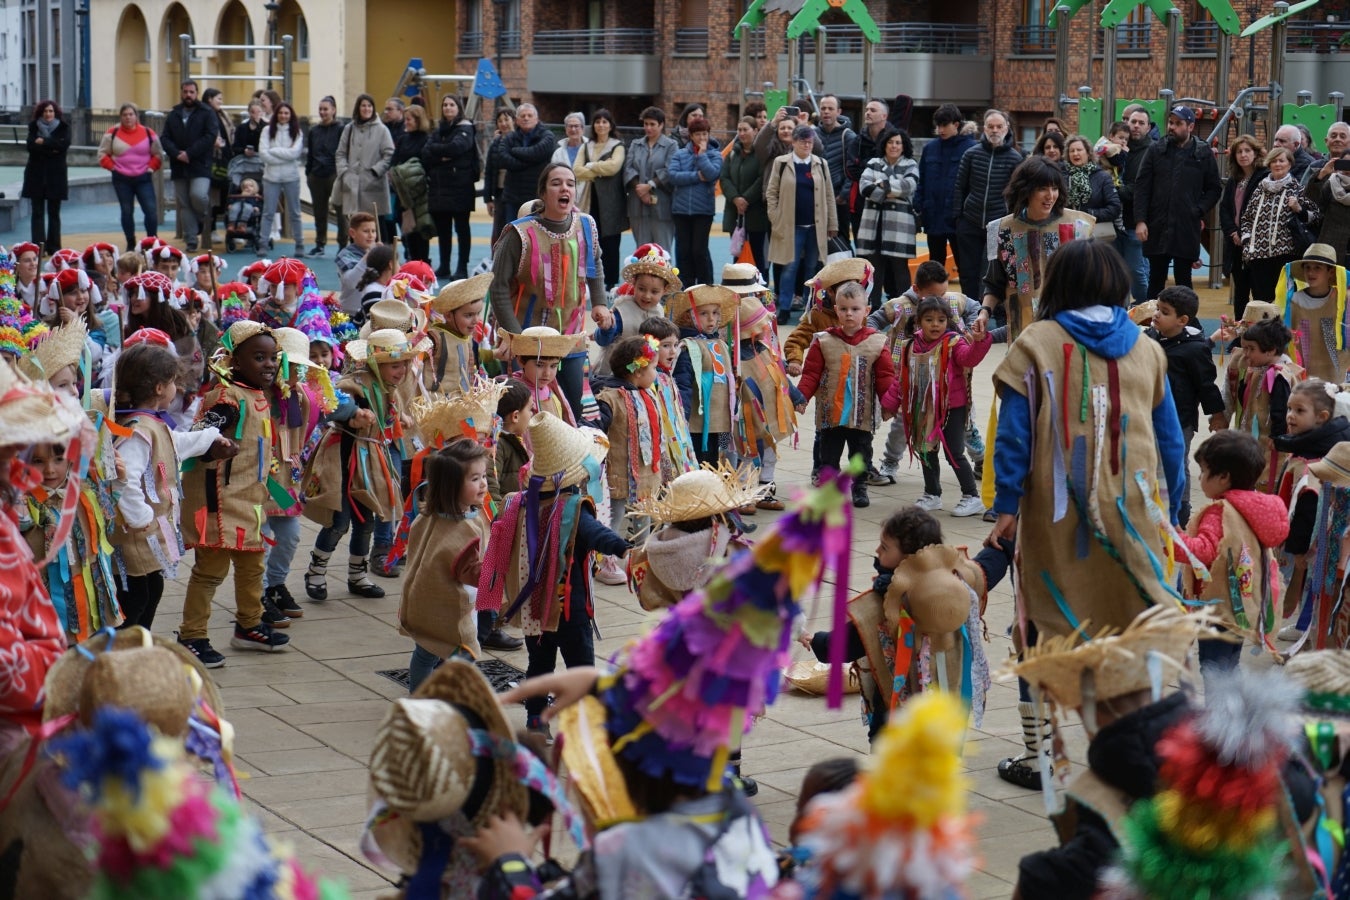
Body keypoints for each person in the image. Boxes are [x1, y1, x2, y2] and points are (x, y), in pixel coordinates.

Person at [987, 239, 1185, 642]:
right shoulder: (1147, 347)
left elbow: (1013, 434)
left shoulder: (1035, 343)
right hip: (1133, 504)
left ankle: (1046, 701)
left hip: (1056, 509)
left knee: (1053, 614)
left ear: (1058, 282)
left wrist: (1006, 503)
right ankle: (1122, 693)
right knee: (1128, 608)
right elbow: (1171, 440)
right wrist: (1174, 506)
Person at [477, 413, 630, 740]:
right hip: (569, 606)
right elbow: (599, 535)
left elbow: (500, 550)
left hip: (533, 607)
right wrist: (625, 548)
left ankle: (536, 718)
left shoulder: (519, 503)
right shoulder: (575, 507)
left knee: (540, 664)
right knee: (581, 668)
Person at [177, 322, 289, 666]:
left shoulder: (258, 396)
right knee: (209, 572)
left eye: (273, 357)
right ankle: (191, 636)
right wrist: (215, 450)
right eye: (259, 357)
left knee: (253, 565)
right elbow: (196, 439)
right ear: (235, 361)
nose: (269, 364)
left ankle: (249, 625)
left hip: (247, 501)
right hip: (218, 504)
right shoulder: (226, 397)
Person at [108, 338, 224, 632]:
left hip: (148, 534)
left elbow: (176, 445)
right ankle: (120, 655)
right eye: (173, 382)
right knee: (134, 599)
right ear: (159, 388)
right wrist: (141, 516)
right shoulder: (138, 431)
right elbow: (126, 478)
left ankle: (137, 648)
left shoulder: (152, 424)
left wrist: (209, 436)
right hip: (136, 535)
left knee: (150, 589)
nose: (176, 388)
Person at [303, 328, 424, 601]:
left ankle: (357, 575)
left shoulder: (388, 387)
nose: (402, 370)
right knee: (339, 520)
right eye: (396, 364)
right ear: (377, 364)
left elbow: (388, 414)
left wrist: (399, 418)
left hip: (371, 463)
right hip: (345, 461)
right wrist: (353, 413)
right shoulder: (355, 384)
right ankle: (316, 571)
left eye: (405, 364)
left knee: (365, 520)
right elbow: (329, 404)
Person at [489, 162, 607, 422]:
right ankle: (523, 462)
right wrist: (513, 337)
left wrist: (600, 302)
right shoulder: (519, 233)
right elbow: (497, 287)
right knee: (524, 415)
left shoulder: (586, 225)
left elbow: (594, 263)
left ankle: (723, 444)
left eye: (570, 183)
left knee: (571, 412)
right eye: (556, 183)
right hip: (527, 339)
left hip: (571, 338)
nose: (564, 188)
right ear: (543, 193)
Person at [884, 295, 991, 517]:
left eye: (941, 320)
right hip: (922, 409)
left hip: (953, 407)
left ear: (947, 322)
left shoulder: (954, 342)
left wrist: (979, 342)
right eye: (929, 319)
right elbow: (901, 379)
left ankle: (971, 496)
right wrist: (889, 404)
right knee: (925, 450)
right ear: (918, 322)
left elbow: (969, 359)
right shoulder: (910, 346)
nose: (935, 324)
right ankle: (932, 494)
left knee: (955, 452)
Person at [400, 440, 491, 691]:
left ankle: (418, 701)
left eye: (483, 475)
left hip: (421, 600)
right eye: (474, 479)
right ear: (452, 487)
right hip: (450, 610)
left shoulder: (427, 516)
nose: (483, 483)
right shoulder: (463, 531)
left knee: (425, 651)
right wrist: (500, 567)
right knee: (467, 655)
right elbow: (473, 573)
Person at [795, 281, 896, 508]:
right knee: (828, 455)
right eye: (843, 309)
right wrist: (801, 397)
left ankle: (859, 487)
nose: (849, 314)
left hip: (862, 416)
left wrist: (889, 403)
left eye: (855, 309)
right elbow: (811, 373)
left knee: (861, 454)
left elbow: (885, 377)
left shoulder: (877, 342)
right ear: (835, 309)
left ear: (866, 311)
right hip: (831, 414)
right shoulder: (823, 341)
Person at [976, 155, 1095, 342]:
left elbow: (1092, 281)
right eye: (1042, 188)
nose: (1050, 195)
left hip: (1069, 329)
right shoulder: (1001, 230)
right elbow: (994, 283)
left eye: (1054, 188)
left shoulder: (1079, 226)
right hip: (1022, 331)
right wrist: (984, 312)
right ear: (1025, 190)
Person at [1145, 285, 1225, 526]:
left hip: (1180, 420)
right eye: (1157, 309)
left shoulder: (1194, 349)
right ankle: (1151, 506)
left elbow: (1206, 385)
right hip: (1148, 415)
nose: (1157, 314)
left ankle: (1180, 510)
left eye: (1165, 312)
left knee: (1176, 463)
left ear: (1182, 320)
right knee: (1150, 460)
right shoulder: (1149, 338)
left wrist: (1217, 414)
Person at [1133, 105, 1223, 298]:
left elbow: (1214, 188)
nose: (1172, 127)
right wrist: (1140, 220)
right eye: (1171, 122)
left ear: (1190, 126)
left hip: (1185, 226)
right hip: (1157, 225)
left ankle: (1188, 323)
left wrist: (1198, 210)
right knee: (1156, 279)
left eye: (1178, 123)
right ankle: (1152, 323)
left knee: (1184, 280)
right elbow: (1142, 187)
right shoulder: (1156, 150)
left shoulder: (1202, 153)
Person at [732, 287, 799, 508]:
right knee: (745, 453)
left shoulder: (765, 349)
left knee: (770, 452)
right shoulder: (734, 358)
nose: (766, 329)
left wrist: (796, 397)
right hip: (745, 418)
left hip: (770, 414)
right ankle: (743, 494)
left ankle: (765, 491)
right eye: (761, 326)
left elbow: (780, 375)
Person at [766, 125, 838, 324]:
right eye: (803, 141)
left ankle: (809, 308)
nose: (807, 145)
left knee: (812, 269)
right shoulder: (781, 163)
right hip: (791, 227)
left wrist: (832, 223)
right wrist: (775, 217)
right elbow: (772, 193)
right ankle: (785, 308)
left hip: (816, 228)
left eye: (810, 142)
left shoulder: (820, 164)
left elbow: (829, 195)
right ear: (794, 142)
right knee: (789, 268)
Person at [952, 109, 1024, 300]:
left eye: (999, 126)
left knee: (989, 270)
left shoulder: (1015, 158)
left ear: (1006, 129)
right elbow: (960, 187)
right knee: (968, 270)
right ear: (984, 129)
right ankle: (969, 310)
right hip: (970, 221)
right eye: (991, 127)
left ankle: (986, 312)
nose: (994, 130)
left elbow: (1018, 193)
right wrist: (958, 218)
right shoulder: (971, 154)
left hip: (997, 224)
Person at [1239, 146, 1321, 304]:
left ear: (1289, 164)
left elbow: (1315, 217)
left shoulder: (1297, 189)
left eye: (1282, 161)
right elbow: (1246, 218)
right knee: (1261, 301)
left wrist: (1299, 209)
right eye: (1274, 161)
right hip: (1258, 255)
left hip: (1286, 255)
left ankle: (1284, 329)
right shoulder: (1259, 189)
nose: (1278, 164)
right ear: (1269, 164)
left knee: (1284, 299)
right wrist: (1247, 240)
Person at [671, 284, 739, 468]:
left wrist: (734, 406)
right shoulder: (687, 347)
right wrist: (682, 413)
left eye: (715, 313)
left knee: (719, 456)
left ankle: (715, 485)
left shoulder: (721, 344)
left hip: (721, 419)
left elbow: (729, 380)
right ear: (689, 316)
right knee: (700, 459)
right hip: (698, 422)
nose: (711, 319)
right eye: (704, 313)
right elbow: (682, 383)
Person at [856, 128, 919, 309]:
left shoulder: (910, 164)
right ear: (884, 144)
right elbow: (864, 188)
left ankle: (906, 310)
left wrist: (880, 185)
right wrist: (892, 191)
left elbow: (909, 186)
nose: (894, 146)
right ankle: (873, 309)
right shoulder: (873, 163)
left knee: (900, 271)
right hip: (873, 225)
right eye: (890, 142)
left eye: (898, 142)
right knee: (874, 272)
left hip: (899, 227)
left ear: (903, 145)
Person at [570, 109, 627, 291]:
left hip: (611, 202)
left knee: (611, 243)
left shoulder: (617, 146)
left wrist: (592, 166)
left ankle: (610, 283)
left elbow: (614, 167)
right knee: (590, 242)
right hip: (589, 200)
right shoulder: (587, 146)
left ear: (611, 125)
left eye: (605, 121)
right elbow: (576, 170)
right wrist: (597, 173)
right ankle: (589, 282)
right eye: (597, 121)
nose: (601, 125)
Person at [159, 80, 219, 253]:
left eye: (191, 92)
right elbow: (165, 138)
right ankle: (191, 239)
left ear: (197, 93)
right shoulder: (174, 114)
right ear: (181, 93)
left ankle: (203, 217)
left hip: (200, 163)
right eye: (185, 92)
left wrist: (190, 153)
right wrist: (177, 153)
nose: (188, 95)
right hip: (179, 165)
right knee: (185, 203)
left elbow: (210, 136)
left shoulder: (206, 113)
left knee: (198, 195)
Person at [424, 95, 479, 280]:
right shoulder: (439, 129)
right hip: (440, 188)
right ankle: (444, 266)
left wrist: (438, 151)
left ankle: (462, 267)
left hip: (460, 187)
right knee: (443, 230)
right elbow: (426, 152)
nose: (448, 108)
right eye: (445, 104)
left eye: (452, 104)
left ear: (458, 108)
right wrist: (443, 155)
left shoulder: (465, 128)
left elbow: (457, 148)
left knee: (462, 229)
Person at [915, 103, 976, 267]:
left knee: (965, 266)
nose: (940, 129)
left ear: (956, 124)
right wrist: (919, 205)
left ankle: (969, 294)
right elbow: (922, 180)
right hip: (933, 215)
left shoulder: (971, 149)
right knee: (935, 265)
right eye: (938, 125)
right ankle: (935, 293)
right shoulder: (930, 148)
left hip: (958, 218)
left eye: (944, 125)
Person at [98, 103, 163, 252]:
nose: (128, 117)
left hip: (143, 177)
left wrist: (151, 168)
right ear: (120, 117)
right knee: (126, 211)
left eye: (131, 114)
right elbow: (102, 154)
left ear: (136, 116)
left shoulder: (148, 133)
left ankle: (151, 241)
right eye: (125, 115)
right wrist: (113, 168)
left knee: (151, 210)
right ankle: (131, 242)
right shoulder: (112, 133)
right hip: (121, 178)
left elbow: (158, 154)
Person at [336, 93, 395, 250]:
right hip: (352, 185)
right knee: (355, 226)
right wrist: (345, 172)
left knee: (377, 227)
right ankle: (354, 258)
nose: (366, 109)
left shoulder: (382, 130)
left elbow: (389, 154)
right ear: (358, 108)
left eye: (369, 105)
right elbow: (340, 153)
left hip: (374, 186)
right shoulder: (349, 129)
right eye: (363, 105)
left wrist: (376, 171)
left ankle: (381, 259)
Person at [668, 118, 722, 288]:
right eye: (697, 134)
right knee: (683, 251)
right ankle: (686, 286)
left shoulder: (714, 154)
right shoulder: (680, 154)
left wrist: (701, 155)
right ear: (691, 136)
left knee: (699, 250)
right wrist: (696, 177)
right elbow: (673, 176)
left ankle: (706, 285)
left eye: (704, 134)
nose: (701, 138)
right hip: (681, 210)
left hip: (703, 210)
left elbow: (712, 174)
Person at [1219, 134, 1268, 320]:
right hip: (1236, 243)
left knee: (1259, 291)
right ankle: (1239, 333)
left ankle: (1259, 331)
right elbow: (1225, 209)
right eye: (1239, 151)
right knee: (1240, 291)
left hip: (1256, 243)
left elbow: (1260, 211)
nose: (1243, 155)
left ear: (1255, 153)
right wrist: (1232, 232)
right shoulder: (1234, 180)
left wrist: (1245, 233)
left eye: (1247, 151)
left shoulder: (1264, 177)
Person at [491, 103, 556, 229]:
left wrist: (514, 151)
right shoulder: (509, 138)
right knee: (513, 233)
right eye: (522, 116)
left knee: (537, 235)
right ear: (517, 120)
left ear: (536, 119)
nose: (526, 118)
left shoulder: (547, 136)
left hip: (537, 198)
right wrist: (532, 161)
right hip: (512, 197)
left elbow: (539, 152)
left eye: (529, 115)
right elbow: (503, 159)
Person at [845, 98, 900, 242]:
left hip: (889, 203)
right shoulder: (858, 140)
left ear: (884, 116)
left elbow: (898, 170)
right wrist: (876, 173)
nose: (867, 113)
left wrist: (867, 170)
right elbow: (850, 170)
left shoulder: (896, 140)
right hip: (860, 204)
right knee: (862, 251)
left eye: (873, 110)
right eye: (867, 110)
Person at [624, 105, 678, 250]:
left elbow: (670, 169)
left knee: (662, 251)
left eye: (653, 124)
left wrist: (650, 185)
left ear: (661, 125)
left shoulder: (671, 145)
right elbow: (628, 169)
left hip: (662, 206)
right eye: (646, 124)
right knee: (642, 251)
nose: (648, 128)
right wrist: (640, 190)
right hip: (638, 206)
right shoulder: (636, 145)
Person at [1116, 105, 1155, 302]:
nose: (1136, 126)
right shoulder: (1116, 149)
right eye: (1133, 122)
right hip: (1115, 221)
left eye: (1141, 123)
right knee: (1116, 274)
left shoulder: (1152, 151)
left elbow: (1141, 188)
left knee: (1136, 272)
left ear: (1148, 127)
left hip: (1137, 221)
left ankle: (1145, 310)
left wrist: (1115, 190)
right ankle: (1121, 315)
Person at [721, 116, 769, 278]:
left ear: (755, 131)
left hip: (756, 215)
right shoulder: (733, 153)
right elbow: (724, 178)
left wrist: (746, 199)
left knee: (757, 255)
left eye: (745, 129)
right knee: (737, 255)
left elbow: (762, 179)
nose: (741, 133)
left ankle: (760, 293)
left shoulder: (761, 154)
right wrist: (735, 198)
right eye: (739, 130)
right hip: (735, 214)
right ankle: (738, 291)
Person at [257, 101, 305, 258]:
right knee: (268, 212)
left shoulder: (296, 132)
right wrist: (285, 155)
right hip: (271, 177)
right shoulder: (266, 131)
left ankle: (299, 244)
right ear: (276, 114)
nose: (283, 116)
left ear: (291, 115)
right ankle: (263, 243)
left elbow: (295, 153)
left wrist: (274, 151)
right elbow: (263, 154)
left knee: (295, 212)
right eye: (281, 113)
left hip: (291, 177)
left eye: (286, 113)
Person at [23, 100, 69, 253]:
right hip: (36, 176)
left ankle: (54, 247)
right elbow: (30, 147)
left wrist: (43, 142)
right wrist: (52, 147)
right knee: (37, 213)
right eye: (45, 111)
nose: (48, 114)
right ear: (40, 113)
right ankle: (38, 247)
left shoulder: (63, 128)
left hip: (56, 177)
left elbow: (63, 146)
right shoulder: (33, 127)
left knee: (54, 213)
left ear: (55, 113)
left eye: (50, 111)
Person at [815, 94, 857, 244]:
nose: (826, 111)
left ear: (839, 112)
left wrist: (843, 196)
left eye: (830, 108)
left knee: (841, 243)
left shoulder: (849, 136)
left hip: (839, 200)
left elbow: (853, 169)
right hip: (817, 199)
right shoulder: (813, 134)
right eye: (823, 108)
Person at [305, 95, 343, 257]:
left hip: (334, 174)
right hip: (316, 175)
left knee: (341, 211)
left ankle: (343, 244)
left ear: (333, 110)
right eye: (320, 109)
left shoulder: (341, 129)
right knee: (319, 211)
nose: (322, 112)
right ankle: (320, 243)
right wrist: (309, 173)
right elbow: (310, 154)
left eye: (325, 109)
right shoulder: (314, 130)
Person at [1062, 134, 1121, 229]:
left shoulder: (1103, 177)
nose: (1075, 153)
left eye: (1079, 150)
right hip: (1069, 232)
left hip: (1094, 233)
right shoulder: (1063, 177)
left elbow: (1115, 208)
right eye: (1071, 151)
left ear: (1088, 153)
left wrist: (1090, 214)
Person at [336, 211, 380, 315]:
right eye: (366, 231)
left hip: (374, 310)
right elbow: (352, 282)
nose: (371, 235)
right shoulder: (345, 255)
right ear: (352, 233)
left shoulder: (378, 253)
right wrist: (368, 257)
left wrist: (389, 257)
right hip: (351, 312)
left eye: (373, 231)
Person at [484, 107, 516, 245]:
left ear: (514, 121)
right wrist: (488, 198)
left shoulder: (519, 140)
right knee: (498, 229)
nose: (503, 123)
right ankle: (497, 261)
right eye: (500, 121)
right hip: (499, 192)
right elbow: (489, 171)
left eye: (506, 119)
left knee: (513, 228)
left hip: (516, 192)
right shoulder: (495, 144)